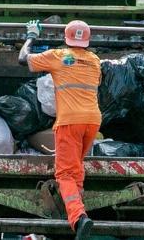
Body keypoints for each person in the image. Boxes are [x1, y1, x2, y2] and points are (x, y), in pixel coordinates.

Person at [18, 19, 100, 240]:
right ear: (88, 40)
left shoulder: (59, 56)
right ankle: (79, 210)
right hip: (92, 121)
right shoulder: (94, 60)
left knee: (64, 173)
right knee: (76, 169)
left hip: (69, 122)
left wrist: (32, 36)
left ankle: (77, 217)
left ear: (66, 38)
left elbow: (22, 59)